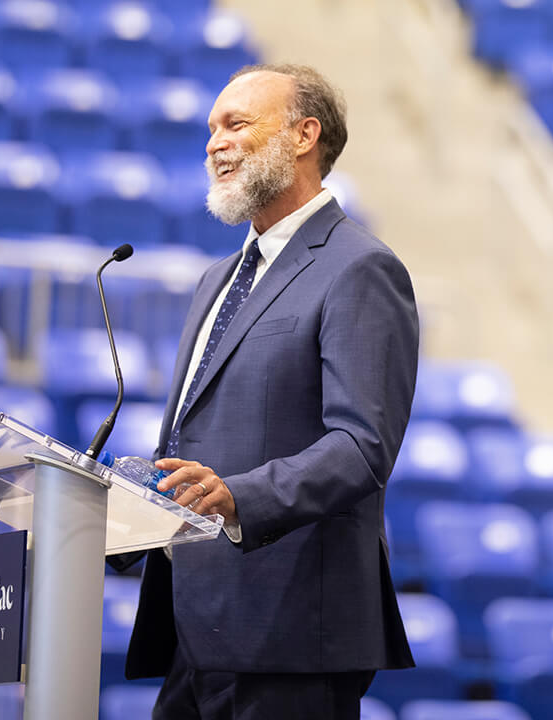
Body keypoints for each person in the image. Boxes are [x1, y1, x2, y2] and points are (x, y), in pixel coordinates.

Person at [108, 63, 419, 719]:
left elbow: (361, 448)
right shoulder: (216, 279)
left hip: (291, 638)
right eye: (210, 129)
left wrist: (237, 496)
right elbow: (199, 441)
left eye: (236, 123)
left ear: (305, 135)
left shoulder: (360, 268)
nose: (214, 144)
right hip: (194, 633)